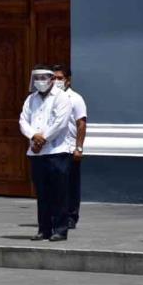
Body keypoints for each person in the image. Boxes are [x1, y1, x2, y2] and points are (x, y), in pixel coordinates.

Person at [19, 65, 73, 242]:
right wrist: (33, 136)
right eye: (37, 78)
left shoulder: (62, 97)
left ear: (51, 79)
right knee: (42, 194)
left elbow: (61, 122)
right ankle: (44, 229)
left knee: (59, 192)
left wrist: (43, 139)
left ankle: (60, 229)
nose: (40, 81)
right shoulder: (31, 99)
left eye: (44, 77)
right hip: (36, 153)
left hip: (57, 151)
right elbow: (23, 121)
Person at [52, 64, 87, 229]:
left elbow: (81, 124)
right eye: (54, 78)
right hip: (54, 148)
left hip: (70, 146)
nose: (57, 81)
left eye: (60, 78)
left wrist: (79, 147)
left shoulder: (76, 99)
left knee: (71, 184)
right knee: (56, 184)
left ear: (68, 80)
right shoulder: (49, 99)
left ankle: (71, 216)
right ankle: (56, 215)